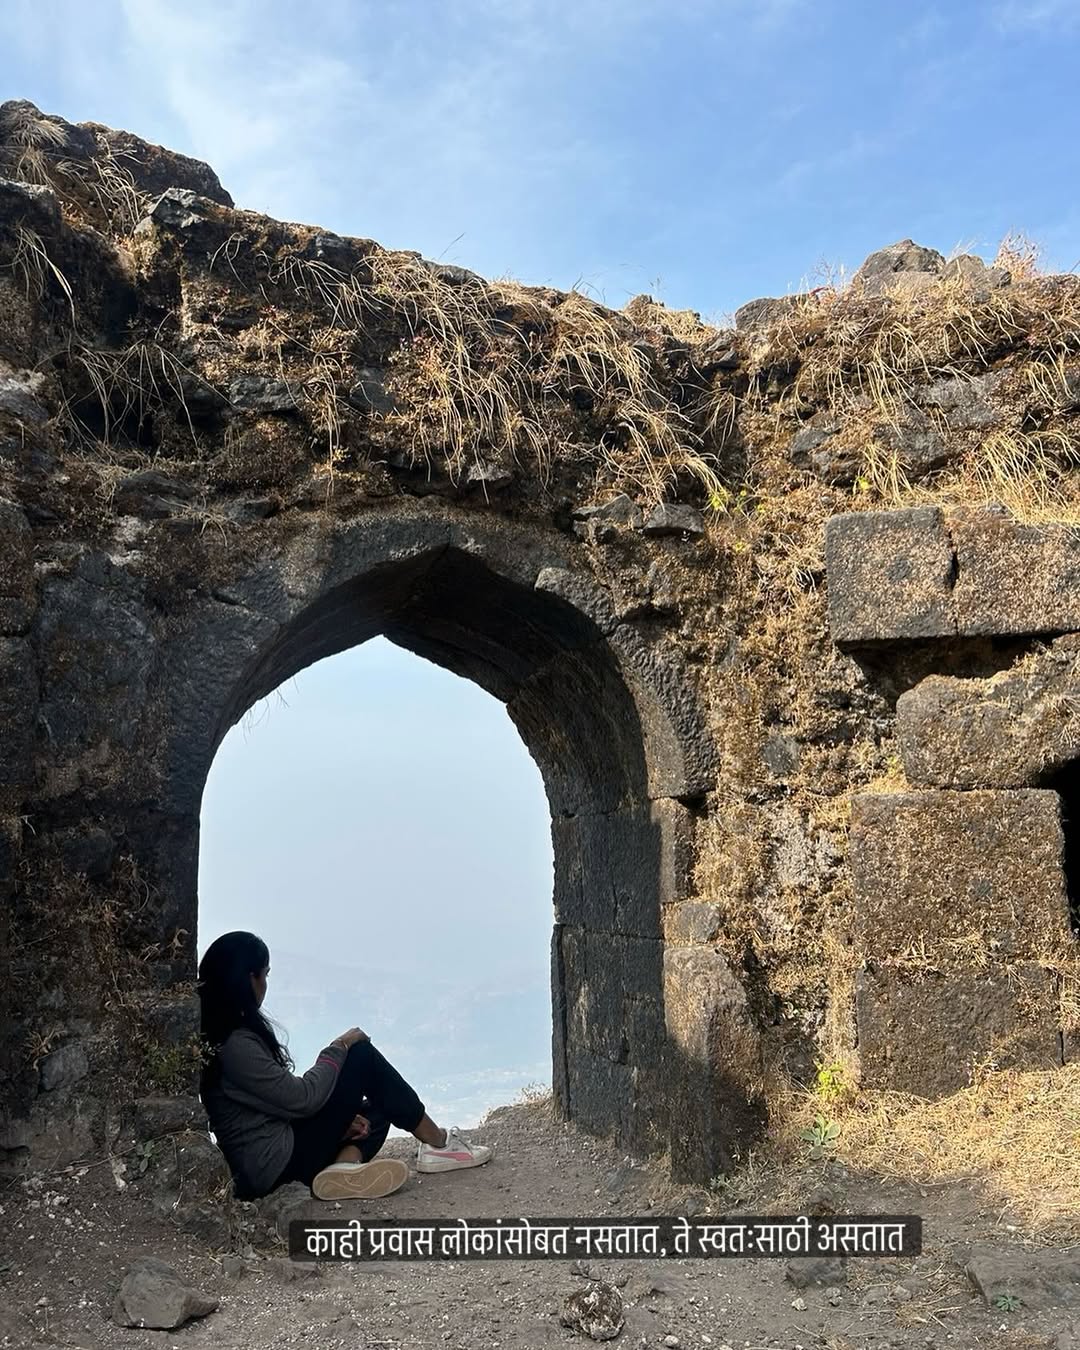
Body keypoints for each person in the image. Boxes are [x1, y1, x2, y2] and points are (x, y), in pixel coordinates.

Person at [197, 931, 493, 1202]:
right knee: (361, 1056)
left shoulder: (226, 1037)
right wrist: (338, 1046)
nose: (265, 985)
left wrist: (340, 1122)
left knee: (377, 1108)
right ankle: (439, 1145)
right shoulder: (235, 1045)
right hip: (274, 1169)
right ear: (249, 978)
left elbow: (276, 1102)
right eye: (265, 974)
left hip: (274, 1158)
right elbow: (302, 1099)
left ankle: (342, 1170)